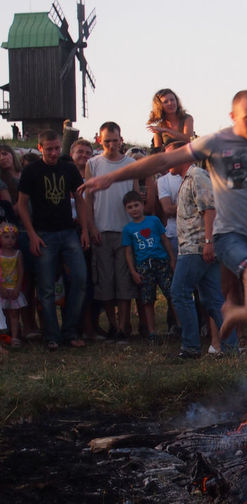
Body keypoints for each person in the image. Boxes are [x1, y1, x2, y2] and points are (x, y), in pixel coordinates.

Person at [82, 90, 247, 379]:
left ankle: (237, 319)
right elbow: (159, 163)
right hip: (230, 234)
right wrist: (110, 176)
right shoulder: (216, 142)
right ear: (233, 118)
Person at [17, 130, 91, 350]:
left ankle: (70, 330)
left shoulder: (68, 168)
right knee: (46, 287)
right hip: (43, 233)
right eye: (49, 148)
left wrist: (85, 229)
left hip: (68, 231)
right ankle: (52, 335)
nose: (53, 152)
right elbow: (21, 204)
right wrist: (31, 234)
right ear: (40, 148)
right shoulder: (31, 170)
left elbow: (79, 199)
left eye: (57, 148)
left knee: (80, 279)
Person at [169, 147, 229, 359]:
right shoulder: (188, 178)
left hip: (195, 247)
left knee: (179, 292)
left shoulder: (197, 176)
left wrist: (208, 242)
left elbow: (209, 209)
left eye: (170, 155)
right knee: (213, 299)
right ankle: (230, 346)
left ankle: (191, 346)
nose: (167, 160)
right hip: (195, 246)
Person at [84, 121, 138, 341]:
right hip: (102, 230)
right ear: (100, 140)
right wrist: (91, 227)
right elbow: (88, 199)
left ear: (121, 139)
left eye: (115, 140)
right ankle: (113, 325)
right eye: (107, 141)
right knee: (105, 281)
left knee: (124, 282)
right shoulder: (93, 163)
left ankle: (125, 325)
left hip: (126, 230)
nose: (111, 145)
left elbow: (135, 194)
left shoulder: (131, 163)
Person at [120, 191, 175, 339]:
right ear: (126, 210)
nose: (134, 209)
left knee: (171, 294)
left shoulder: (154, 221)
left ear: (143, 205)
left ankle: (179, 325)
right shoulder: (128, 229)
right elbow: (129, 252)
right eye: (130, 207)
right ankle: (152, 332)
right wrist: (133, 271)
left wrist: (172, 259)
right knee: (147, 299)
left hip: (161, 262)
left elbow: (164, 240)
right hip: (143, 266)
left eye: (136, 205)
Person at [0, 223, 26, 347]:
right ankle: (5, 335)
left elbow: (21, 271)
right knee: (3, 313)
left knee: (14, 313)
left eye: (12, 237)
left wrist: (17, 287)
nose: (10, 240)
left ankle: (15, 336)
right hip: (2, 288)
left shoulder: (17, 254)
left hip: (14, 287)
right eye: (6, 237)